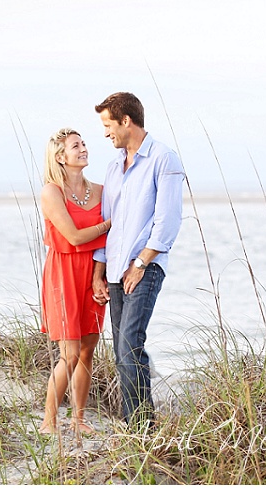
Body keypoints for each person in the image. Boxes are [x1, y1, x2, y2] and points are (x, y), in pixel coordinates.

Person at [91, 92, 184, 431]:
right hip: (115, 271)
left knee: (131, 344)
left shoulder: (164, 159)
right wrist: (98, 274)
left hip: (144, 268)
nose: (105, 134)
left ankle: (142, 429)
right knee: (121, 352)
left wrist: (141, 263)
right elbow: (109, 223)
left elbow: (168, 221)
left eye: (108, 125)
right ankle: (135, 425)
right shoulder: (115, 167)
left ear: (126, 121)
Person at [39, 128, 111, 435]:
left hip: (93, 272)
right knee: (68, 354)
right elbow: (74, 236)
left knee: (86, 352)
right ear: (60, 156)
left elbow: (105, 245)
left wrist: (99, 276)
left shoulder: (101, 190)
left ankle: (79, 420)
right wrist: (110, 223)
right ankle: (48, 421)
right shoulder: (51, 192)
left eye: (83, 143)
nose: (84, 148)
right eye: (75, 146)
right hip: (63, 272)